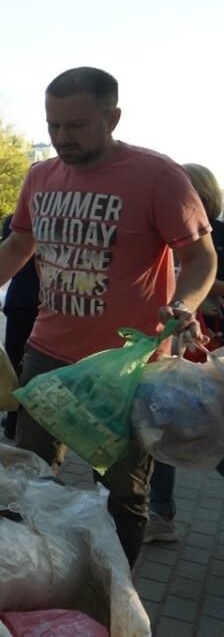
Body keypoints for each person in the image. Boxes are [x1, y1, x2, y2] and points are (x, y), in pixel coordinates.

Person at [0, 67, 216, 567]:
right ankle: (39, 571)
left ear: (113, 117)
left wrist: (185, 304)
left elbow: (201, 257)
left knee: (122, 494)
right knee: (30, 474)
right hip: (48, 358)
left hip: (129, 369)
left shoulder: (158, 175)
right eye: (53, 126)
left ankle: (115, 591)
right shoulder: (40, 177)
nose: (62, 139)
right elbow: (20, 242)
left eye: (76, 125)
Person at [145, 162, 224, 544]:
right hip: (178, 353)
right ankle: (161, 512)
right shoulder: (167, 234)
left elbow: (208, 273)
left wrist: (199, 286)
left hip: (214, 356)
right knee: (163, 426)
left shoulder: (216, 237)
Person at [0, 213, 40, 440]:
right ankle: (15, 421)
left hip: (22, 300)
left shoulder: (14, 220)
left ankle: (13, 421)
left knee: (16, 364)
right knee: (23, 366)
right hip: (41, 304)